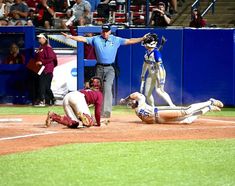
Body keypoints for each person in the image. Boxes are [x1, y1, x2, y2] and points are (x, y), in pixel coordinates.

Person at [62, 24, 148, 118]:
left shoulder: (116, 39)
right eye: (103, 31)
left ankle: (106, 112)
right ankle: (98, 111)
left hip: (110, 68)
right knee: (97, 89)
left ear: (110, 31)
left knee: (107, 87)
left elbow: (130, 41)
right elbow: (82, 38)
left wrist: (142, 38)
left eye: (107, 31)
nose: (105, 33)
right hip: (99, 67)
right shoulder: (96, 39)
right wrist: (70, 36)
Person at [120, 92, 224, 124]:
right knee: (187, 121)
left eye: (131, 102)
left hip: (159, 112)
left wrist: (125, 99)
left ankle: (210, 101)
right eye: (130, 104)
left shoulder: (141, 102)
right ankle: (208, 108)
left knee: (186, 111)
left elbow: (136, 94)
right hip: (161, 120)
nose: (131, 103)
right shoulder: (137, 111)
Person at [140, 33, 175, 107]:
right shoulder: (147, 53)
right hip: (150, 74)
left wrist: (161, 78)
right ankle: (153, 107)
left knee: (159, 90)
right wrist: (142, 74)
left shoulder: (156, 53)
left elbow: (160, 66)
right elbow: (145, 64)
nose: (145, 44)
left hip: (158, 73)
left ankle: (172, 105)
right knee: (147, 93)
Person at [34, 33, 57, 106]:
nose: (39, 39)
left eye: (40, 38)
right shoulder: (41, 47)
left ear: (44, 39)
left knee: (42, 85)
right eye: (39, 38)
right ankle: (52, 99)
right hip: (42, 69)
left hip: (46, 69)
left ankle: (42, 101)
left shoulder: (48, 47)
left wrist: (42, 62)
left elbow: (52, 58)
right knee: (46, 87)